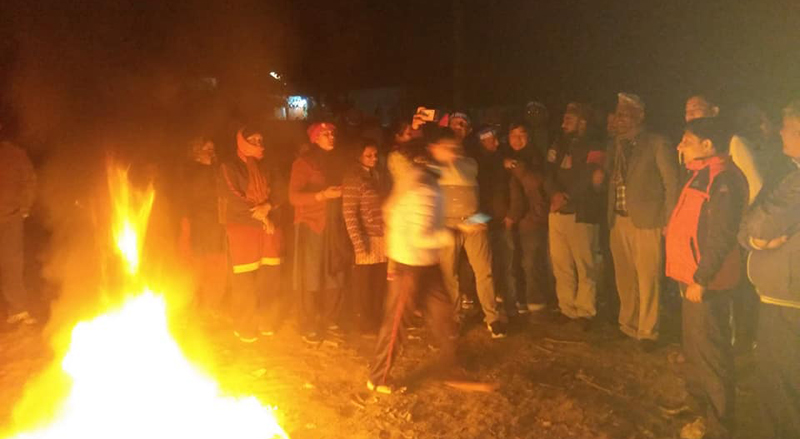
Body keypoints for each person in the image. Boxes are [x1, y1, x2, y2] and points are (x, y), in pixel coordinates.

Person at [368, 138, 473, 393]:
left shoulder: (424, 180)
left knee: (444, 316)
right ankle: (378, 378)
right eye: (449, 149)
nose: (455, 154)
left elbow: (390, 210)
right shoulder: (422, 187)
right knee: (396, 324)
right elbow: (419, 236)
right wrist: (456, 232)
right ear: (432, 151)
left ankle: (451, 368)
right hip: (410, 266)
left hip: (426, 263)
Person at [665, 117, 747, 439]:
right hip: (691, 276)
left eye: (686, 140)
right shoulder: (700, 173)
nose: (680, 146)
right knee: (695, 347)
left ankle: (719, 426)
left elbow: (721, 236)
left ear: (708, 144)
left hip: (708, 282)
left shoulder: (723, 178)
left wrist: (702, 279)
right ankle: (697, 406)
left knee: (712, 353)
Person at [738, 100, 800, 439]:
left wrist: (752, 233)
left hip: (787, 297)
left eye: (787, 128)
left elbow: (756, 224)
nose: (779, 133)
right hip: (786, 292)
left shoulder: (796, 183)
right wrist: (754, 235)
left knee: (779, 386)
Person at [606, 92, 680, 349]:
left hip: (648, 221)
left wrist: (669, 220)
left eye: (625, 115)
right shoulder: (617, 145)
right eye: (618, 114)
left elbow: (671, 184)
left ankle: (648, 330)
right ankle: (628, 324)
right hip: (619, 219)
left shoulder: (657, 143)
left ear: (640, 116)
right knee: (625, 276)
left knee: (648, 277)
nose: (619, 119)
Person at [431, 127, 507, 338]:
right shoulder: (433, 168)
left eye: (455, 146)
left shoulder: (472, 164)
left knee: (484, 271)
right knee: (449, 275)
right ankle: (454, 319)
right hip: (447, 227)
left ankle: (492, 318)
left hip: (473, 225)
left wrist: (479, 219)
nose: (453, 149)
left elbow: (486, 196)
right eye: (448, 146)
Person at [220, 127, 286, 342]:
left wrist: (268, 207)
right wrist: (262, 217)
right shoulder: (229, 166)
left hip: (270, 226)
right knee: (244, 281)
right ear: (242, 142)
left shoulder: (269, 165)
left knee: (270, 276)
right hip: (243, 227)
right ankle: (245, 326)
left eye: (260, 140)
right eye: (253, 140)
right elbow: (234, 196)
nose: (259, 144)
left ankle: (267, 321)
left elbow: (280, 190)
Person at [545, 103, 606, 329]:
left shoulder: (595, 144)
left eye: (569, 119)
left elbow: (590, 175)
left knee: (585, 264)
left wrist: (567, 196)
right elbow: (547, 171)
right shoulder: (558, 143)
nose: (563, 123)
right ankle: (567, 308)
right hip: (557, 211)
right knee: (561, 264)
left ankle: (585, 311)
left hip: (582, 212)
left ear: (583, 122)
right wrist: (554, 194)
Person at [290, 122, 350, 343]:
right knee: (311, 275)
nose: (331, 137)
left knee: (335, 271)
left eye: (332, 133)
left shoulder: (338, 161)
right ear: (315, 138)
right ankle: (308, 322)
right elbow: (293, 197)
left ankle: (329, 318)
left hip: (335, 224)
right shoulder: (304, 163)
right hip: (312, 225)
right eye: (325, 134)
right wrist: (322, 196)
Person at [342, 139, 388, 334]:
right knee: (364, 286)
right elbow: (349, 214)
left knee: (378, 284)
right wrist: (358, 244)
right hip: (366, 238)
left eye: (376, 155)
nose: (374, 159)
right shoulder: (353, 178)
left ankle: (377, 321)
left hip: (381, 238)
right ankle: (363, 324)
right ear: (358, 156)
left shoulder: (376, 176)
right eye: (369, 155)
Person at [178, 136, 227, 313]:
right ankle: (191, 305)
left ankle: (211, 305)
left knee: (217, 266)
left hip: (217, 225)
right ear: (196, 152)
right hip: (198, 225)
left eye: (212, 149)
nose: (210, 153)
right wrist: (186, 225)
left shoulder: (218, 171)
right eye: (206, 149)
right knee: (196, 266)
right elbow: (186, 199)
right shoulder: (189, 171)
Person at [506, 121, 550, 313]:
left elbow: (534, 184)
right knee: (516, 260)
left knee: (532, 261)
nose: (517, 139)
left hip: (532, 218)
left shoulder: (535, 158)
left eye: (521, 134)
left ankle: (537, 301)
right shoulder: (507, 157)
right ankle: (521, 298)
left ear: (529, 136)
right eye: (513, 135)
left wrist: (516, 166)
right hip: (516, 219)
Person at [685, 95, 763, 203]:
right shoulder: (690, 148)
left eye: (696, 108)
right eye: (687, 111)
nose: (690, 114)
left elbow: (755, 187)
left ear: (714, 111)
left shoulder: (733, 142)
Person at [474, 126, 516, 315]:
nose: (497, 144)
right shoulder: (475, 163)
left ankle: (507, 302)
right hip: (482, 221)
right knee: (484, 267)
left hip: (499, 220)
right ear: (482, 141)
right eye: (493, 140)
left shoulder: (500, 160)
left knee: (504, 264)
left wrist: (510, 213)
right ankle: (484, 304)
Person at [0, 128, 36, 325]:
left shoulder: (15, 154)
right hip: (11, 216)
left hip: (10, 218)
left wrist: (24, 207)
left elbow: (29, 180)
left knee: (12, 264)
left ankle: (18, 310)